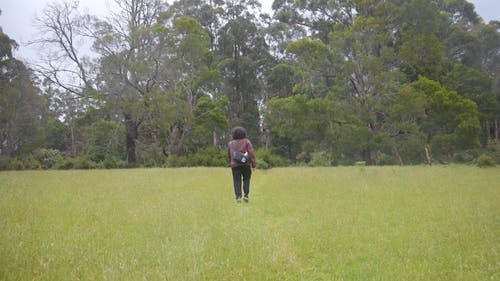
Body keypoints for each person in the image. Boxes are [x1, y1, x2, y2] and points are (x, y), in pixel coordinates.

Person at [227, 126, 256, 203]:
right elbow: (251, 153)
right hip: (246, 164)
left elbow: (229, 155)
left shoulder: (230, 143)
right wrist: (253, 165)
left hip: (235, 165)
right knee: (246, 179)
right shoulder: (247, 142)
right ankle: (246, 195)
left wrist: (231, 163)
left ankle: (238, 197)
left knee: (236, 181)